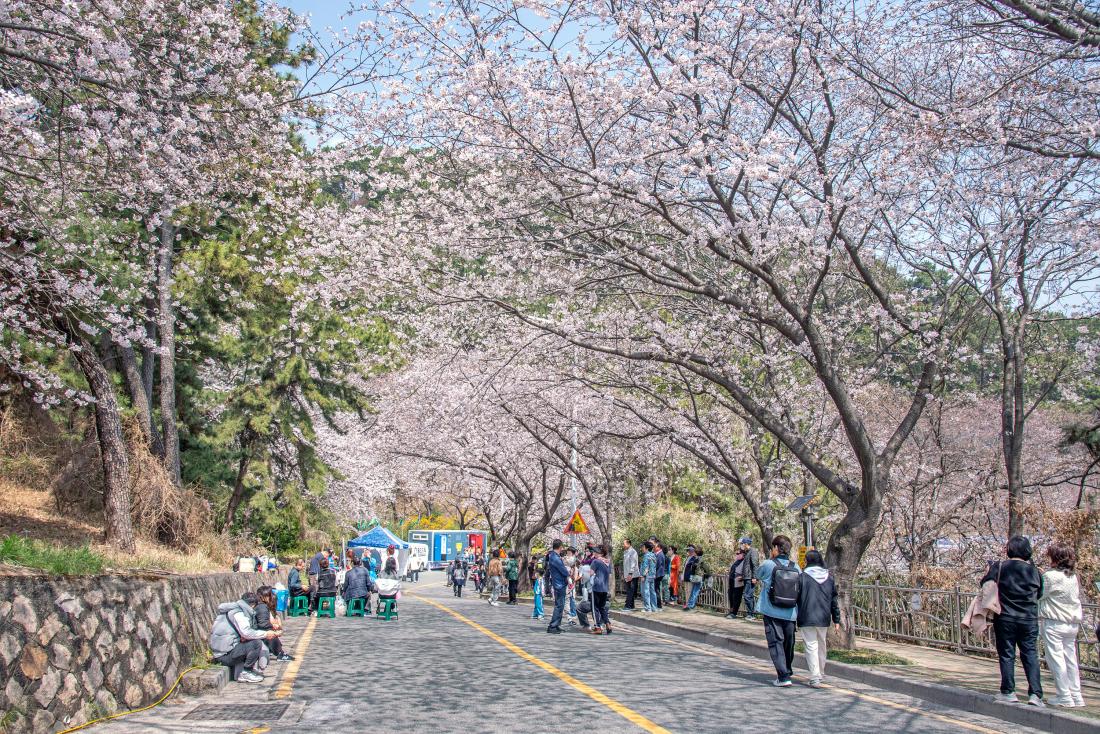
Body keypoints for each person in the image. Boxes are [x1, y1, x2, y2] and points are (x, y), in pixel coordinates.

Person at [982, 535, 1044, 707]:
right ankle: (1036, 694)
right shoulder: (1035, 571)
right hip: (1029, 619)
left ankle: (1008, 691)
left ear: (1009, 549)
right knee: (1030, 654)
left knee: (1007, 654)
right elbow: (1040, 593)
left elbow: (985, 585)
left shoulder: (1000, 566)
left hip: (1005, 618)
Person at [1039, 541, 1084, 707]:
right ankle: (1076, 694)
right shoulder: (1073, 576)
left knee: (1056, 659)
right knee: (1070, 659)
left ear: (1055, 558)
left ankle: (1064, 695)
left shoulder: (1050, 576)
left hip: (1054, 622)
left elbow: (1040, 595)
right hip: (1072, 622)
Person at [756, 535, 800, 687]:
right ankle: (787, 670)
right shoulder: (796, 567)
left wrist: (769, 559)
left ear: (776, 548)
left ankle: (783, 677)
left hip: (772, 610)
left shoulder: (768, 564)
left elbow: (757, 574)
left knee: (776, 642)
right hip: (790, 612)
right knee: (788, 643)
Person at [208, 592, 280, 683]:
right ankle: (246, 672)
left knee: (251, 642)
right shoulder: (238, 613)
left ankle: (244, 672)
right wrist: (266, 634)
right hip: (224, 656)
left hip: (224, 652)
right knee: (256, 643)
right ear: (252, 605)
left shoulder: (233, 609)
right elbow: (246, 632)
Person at [797, 550, 840, 688]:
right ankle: (820, 672)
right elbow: (834, 600)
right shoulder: (829, 577)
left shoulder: (802, 577)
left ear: (807, 561)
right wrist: (837, 619)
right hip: (824, 616)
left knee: (811, 645)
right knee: (822, 644)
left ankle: (815, 675)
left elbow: (796, 597)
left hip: (806, 615)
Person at [255, 586, 293, 662]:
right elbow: (263, 624)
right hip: (255, 633)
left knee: (271, 631)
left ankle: (278, 652)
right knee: (269, 633)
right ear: (264, 596)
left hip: (257, 631)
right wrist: (274, 627)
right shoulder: (262, 607)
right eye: (269, 595)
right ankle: (280, 653)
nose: (271, 596)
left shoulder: (262, 606)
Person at [726, 537, 758, 619]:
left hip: (750, 577)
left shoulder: (753, 551)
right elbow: (746, 566)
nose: (741, 545)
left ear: (746, 544)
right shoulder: (748, 552)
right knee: (746, 595)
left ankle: (751, 614)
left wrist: (755, 577)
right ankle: (749, 614)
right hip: (746, 577)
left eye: (742, 544)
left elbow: (755, 565)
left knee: (748, 596)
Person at [546, 539, 570, 634]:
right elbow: (563, 570)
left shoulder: (553, 556)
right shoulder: (555, 557)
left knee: (560, 605)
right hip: (559, 583)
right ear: (560, 547)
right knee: (559, 605)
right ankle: (553, 626)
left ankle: (556, 625)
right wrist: (568, 573)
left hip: (558, 583)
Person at [591, 543, 612, 635]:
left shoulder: (595, 561)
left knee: (595, 607)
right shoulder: (608, 562)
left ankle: (597, 627)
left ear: (600, 553)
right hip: (605, 588)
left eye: (595, 551)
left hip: (596, 587)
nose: (594, 553)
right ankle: (608, 624)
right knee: (602, 608)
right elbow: (610, 575)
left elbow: (591, 573)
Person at [622, 539, 640, 612]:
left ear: (628, 544)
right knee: (629, 590)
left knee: (630, 591)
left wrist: (630, 573)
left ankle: (628, 606)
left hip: (632, 574)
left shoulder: (633, 552)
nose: (623, 545)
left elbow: (633, 563)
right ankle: (631, 605)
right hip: (627, 574)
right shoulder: (625, 552)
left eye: (624, 543)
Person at [640, 541, 657, 612]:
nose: (642, 548)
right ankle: (654, 607)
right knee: (652, 591)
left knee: (645, 591)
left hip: (646, 576)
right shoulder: (653, 555)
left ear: (646, 548)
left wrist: (643, 575)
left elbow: (646, 567)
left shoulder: (646, 555)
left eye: (643, 547)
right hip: (652, 576)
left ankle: (647, 608)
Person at [680, 546, 697, 610]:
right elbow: (684, 568)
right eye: (688, 550)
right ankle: (687, 604)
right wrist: (682, 577)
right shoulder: (688, 558)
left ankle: (690, 605)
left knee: (690, 591)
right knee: (686, 591)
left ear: (693, 551)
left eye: (689, 550)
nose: (688, 551)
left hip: (690, 577)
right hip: (686, 576)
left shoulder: (694, 558)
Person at [653, 541, 667, 610]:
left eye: (655, 546)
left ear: (659, 547)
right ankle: (657, 604)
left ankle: (658, 605)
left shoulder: (660, 554)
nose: (654, 548)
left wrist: (653, 572)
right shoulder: (658, 554)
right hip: (658, 574)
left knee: (656, 589)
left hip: (658, 574)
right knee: (656, 589)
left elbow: (657, 564)